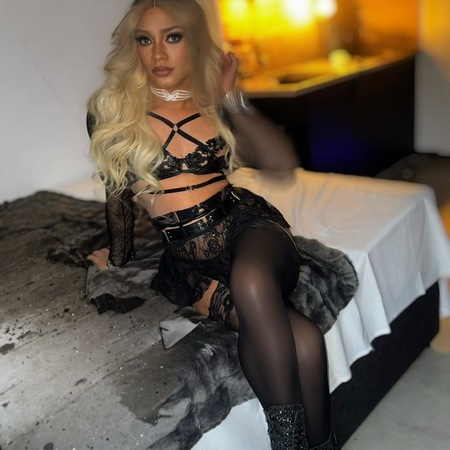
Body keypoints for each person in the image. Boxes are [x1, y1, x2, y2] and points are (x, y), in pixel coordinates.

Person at [87, 1, 354, 448]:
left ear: (193, 40)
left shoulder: (211, 98)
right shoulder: (110, 112)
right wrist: (118, 258)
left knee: (250, 279)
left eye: (173, 37)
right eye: (145, 40)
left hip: (249, 230)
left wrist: (232, 99)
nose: (158, 53)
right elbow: (117, 197)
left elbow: (281, 165)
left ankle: (285, 444)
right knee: (303, 336)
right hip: (189, 262)